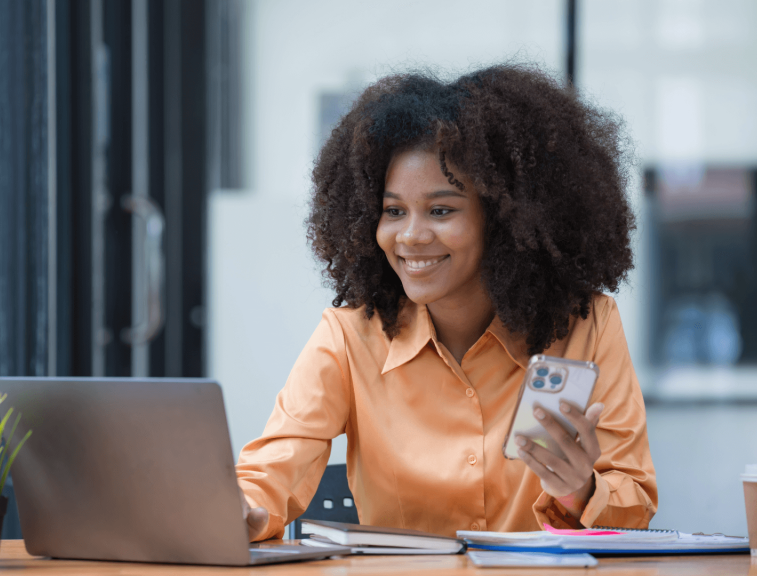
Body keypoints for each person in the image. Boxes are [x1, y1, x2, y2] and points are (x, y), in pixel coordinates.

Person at [235, 64, 657, 542]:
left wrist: (579, 491)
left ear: (503, 220)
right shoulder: (350, 335)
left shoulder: (585, 326)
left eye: (441, 210)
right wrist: (241, 510)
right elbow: (270, 472)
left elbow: (635, 504)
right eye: (393, 211)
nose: (411, 236)